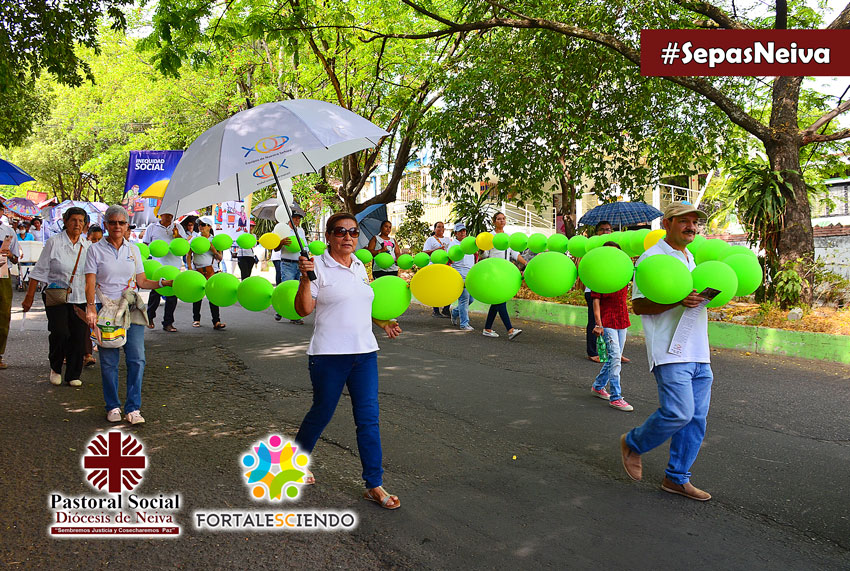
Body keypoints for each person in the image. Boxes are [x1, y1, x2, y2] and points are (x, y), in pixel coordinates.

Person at [293, 212, 402, 510]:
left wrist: (382, 323)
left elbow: (359, 303)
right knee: (322, 413)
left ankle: (374, 484)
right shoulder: (318, 269)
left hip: (365, 353)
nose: (347, 237)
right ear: (328, 236)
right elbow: (303, 310)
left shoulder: (358, 266)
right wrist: (305, 277)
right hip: (328, 356)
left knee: (368, 419)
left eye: (353, 232)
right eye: (340, 232)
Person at [620, 202, 713, 501]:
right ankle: (633, 443)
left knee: (696, 419)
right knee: (679, 412)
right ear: (667, 224)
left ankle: (676, 478)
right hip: (670, 351)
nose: (691, 227)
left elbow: (689, 299)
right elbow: (639, 305)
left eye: (694, 222)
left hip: (699, 350)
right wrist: (676, 301)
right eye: (683, 221)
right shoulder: (652, 258)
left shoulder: (691, 257)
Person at [84, 205, 173, 425]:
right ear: (105, 225)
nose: (117, 226)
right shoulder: (95, 250)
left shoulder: (133, 250)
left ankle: (133, 408)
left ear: (127, 226)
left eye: (121, 223)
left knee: (137, 359)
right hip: (106, 310)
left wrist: (162, 283)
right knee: (109, 361)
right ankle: (112, 406)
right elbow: (90, 281)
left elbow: (142, 281)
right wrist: (90, 307)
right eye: (112, 222)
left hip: (131, 309)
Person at [22, 207, 90, 387]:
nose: (77, 224)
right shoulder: (54, 242)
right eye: (73, 220)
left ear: (85, 224)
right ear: (66, 222)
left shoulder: (87, 246)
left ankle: (73, 374)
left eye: (81, 221)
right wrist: (28, 297)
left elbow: (93, 274)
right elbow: (39, 271)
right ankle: (56, 367)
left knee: (78, 335)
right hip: (56, 296)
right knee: (60, 332)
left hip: (79, 297)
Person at [590, 241, 633, 411]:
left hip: (622, 320)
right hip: (607, 321)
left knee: (614, 358)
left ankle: (598, 386)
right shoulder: (599, 276)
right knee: (615, 358)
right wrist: (598, 324)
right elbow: (596, 302)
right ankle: (616, 397)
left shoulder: (624, 274)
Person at [482, 212, 525, 340]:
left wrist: (526, 263)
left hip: (506, 271)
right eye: (499, 219)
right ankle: (510, 330)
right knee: (501, 299)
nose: (502, 221)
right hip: (494, 271)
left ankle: (487, 328)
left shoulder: (508, 237)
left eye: (503, 219)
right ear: (494, 221)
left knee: (497, 300)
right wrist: (482, 250)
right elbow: (485, 255)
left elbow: (514, 254)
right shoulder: (490, 237)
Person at [143, 212, 187, 332]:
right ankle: (150, 317)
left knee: (172, 296)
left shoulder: (178, 227)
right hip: (158, 266)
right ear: (160, 215)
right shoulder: (152, 227)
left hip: (174, 266)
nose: (169, 217)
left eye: (171, 215)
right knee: (155, 294)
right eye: (166, 215)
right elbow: (145, 245)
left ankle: (168, 323)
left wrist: (176, 235)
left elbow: (184, 245)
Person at [187, 218, 226, 330]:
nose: (201, 227)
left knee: (213, 296)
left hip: (212, 270)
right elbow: (188, 254)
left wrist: (213, 250)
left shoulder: (215, 240)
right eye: (199, 225)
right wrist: (189, 268)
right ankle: (196, 319)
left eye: (204, 225)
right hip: (197, 270)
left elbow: (220, 258)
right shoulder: (195, 239)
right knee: (197, 296)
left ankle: (216, 321)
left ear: (209, 227)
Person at [585, 220, 612, 362]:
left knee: (609, 322)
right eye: (602, 229)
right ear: (597, 232)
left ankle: (612, 351)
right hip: (593, 289)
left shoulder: (614, 250)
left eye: (608, 229)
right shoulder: (593, 248)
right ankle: (592, 352)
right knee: (594, 321)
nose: (605, 232)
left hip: (608, 289)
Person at [277, 206, 307, 324]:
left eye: (298, 219)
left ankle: (294, 315)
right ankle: (280, 309)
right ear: (289, 219)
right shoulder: (283, 231)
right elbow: (275, 249)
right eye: (294, 218)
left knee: (297, 290)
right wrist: (281, 242)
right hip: (287, 263)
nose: (297, 221)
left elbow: (303, 246)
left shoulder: (301, 231)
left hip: (299, 263)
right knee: (287, 288)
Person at [0, 218, 21, 369]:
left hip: (2, 275)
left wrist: (9, 254)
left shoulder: (9, 232)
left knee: (3, 314)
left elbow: (15, 259)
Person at [82, 225, 104, 366]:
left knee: (95, 323)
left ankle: (89, 352)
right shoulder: (84, 250)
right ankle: (85, 353)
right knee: (84, 324)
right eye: (93, 239)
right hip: (82, 293)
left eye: (99, 239)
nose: (96, 242)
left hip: (100, 294)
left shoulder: (105, 251)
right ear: (88, 237)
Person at [448, 222, 475, 331]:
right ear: (455, 233)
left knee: (471, 299)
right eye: (460, 231)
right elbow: (451, 259)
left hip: (470, 275)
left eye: (464, 230)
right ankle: (464, 324)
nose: (463, 233)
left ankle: (455, 312)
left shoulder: (469, 244)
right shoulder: (453, 244)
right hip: (459, 274)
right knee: (464, 299)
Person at [423, 221, 452, 317]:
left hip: (445, 267)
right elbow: (425, 252)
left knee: (447, 288)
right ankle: (435, 310)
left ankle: (446, 309)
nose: (441, 229)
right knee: (435, 288)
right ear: (435, 229)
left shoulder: (448, 240)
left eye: (442, 227)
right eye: (439, 227)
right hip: (434, 266)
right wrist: (436, 251)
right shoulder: (430, 240)